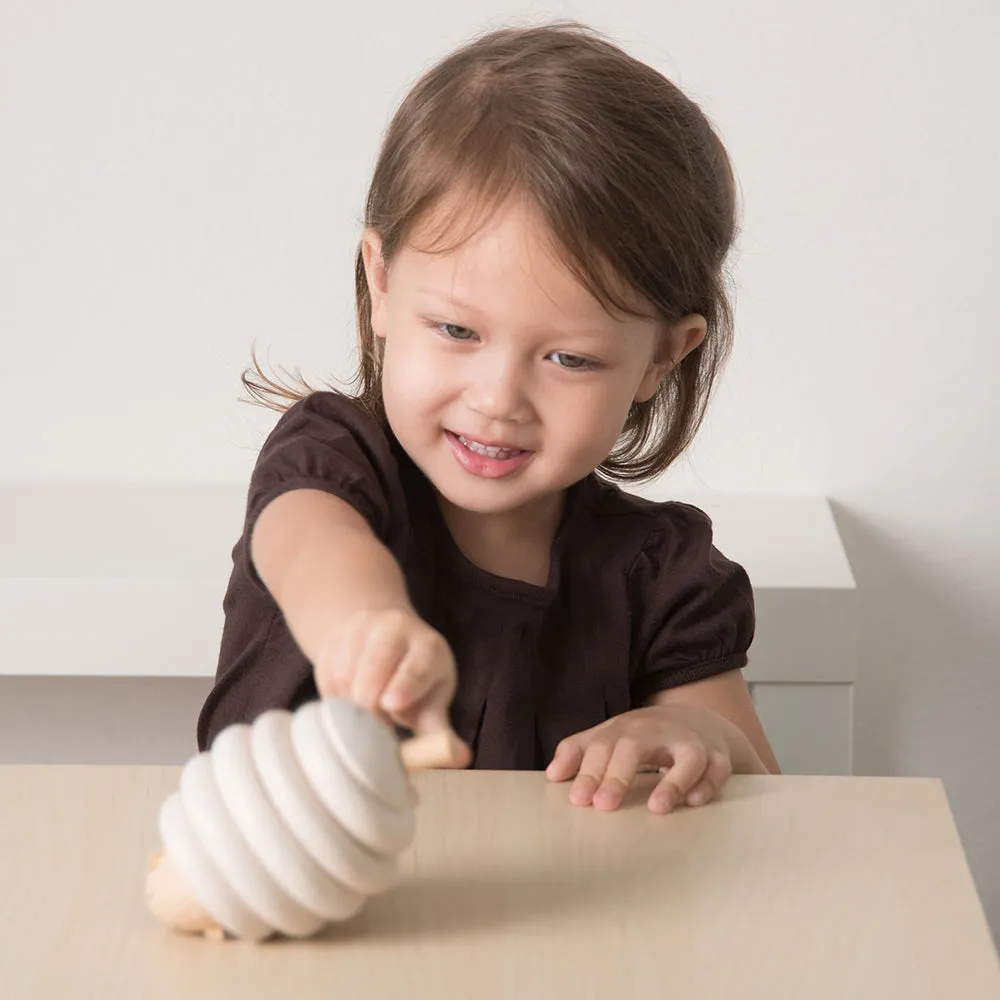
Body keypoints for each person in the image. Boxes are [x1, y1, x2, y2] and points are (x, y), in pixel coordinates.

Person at [197, 20, 780, 815]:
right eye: (458, 331)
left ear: (660, 360)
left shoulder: (659, 574)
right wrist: (368, 625)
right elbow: (312, 550)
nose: (498, 399)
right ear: (383, 286)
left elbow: (767, 804)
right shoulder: (333, 463)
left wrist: (697, 740)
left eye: (569, 359)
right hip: (308, 926)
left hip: (574, 935)